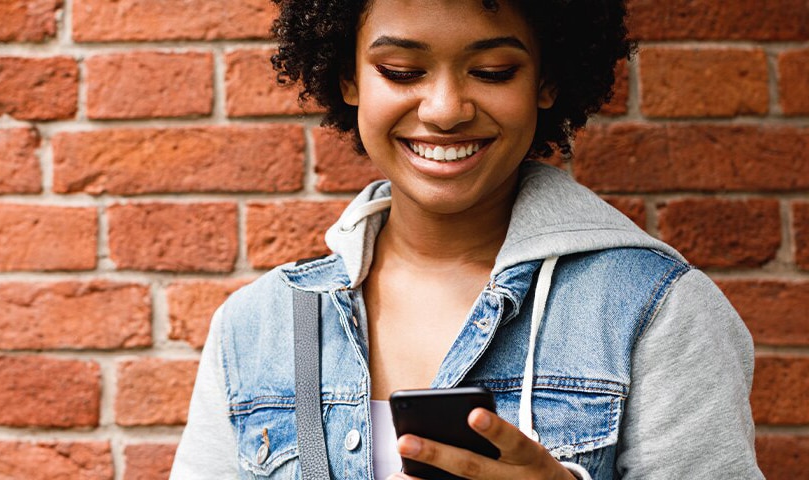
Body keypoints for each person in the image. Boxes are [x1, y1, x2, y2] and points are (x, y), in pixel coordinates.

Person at [170, 0, 763, 478]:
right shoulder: (260, 325)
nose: (446, 109)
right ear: (349, 78)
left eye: (493, 72)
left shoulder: (657, 311)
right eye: (401, 71)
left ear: (547, 80)